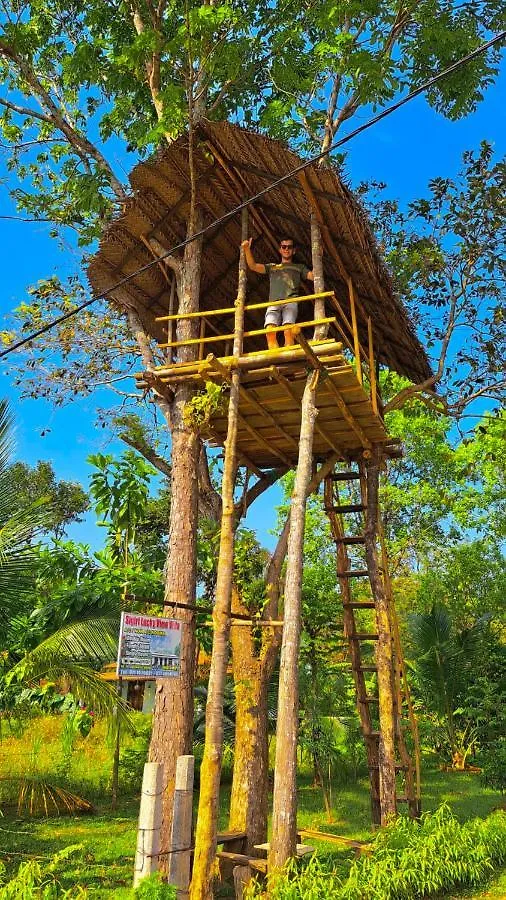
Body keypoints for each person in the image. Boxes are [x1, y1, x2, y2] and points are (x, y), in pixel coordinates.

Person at [241, 236, 314, 349]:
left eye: (289, 247)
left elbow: (314, 276)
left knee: (288, 331)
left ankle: (289, 352)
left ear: (294, 251)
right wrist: (246, 249)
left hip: (291, 301)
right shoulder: (272, 267)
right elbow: (253, 266)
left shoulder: (299, 267)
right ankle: (275, 355)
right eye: (283, 247)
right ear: (280, 250)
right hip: (273, 303)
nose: (286, 249)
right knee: (270, 331)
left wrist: (319, 256)